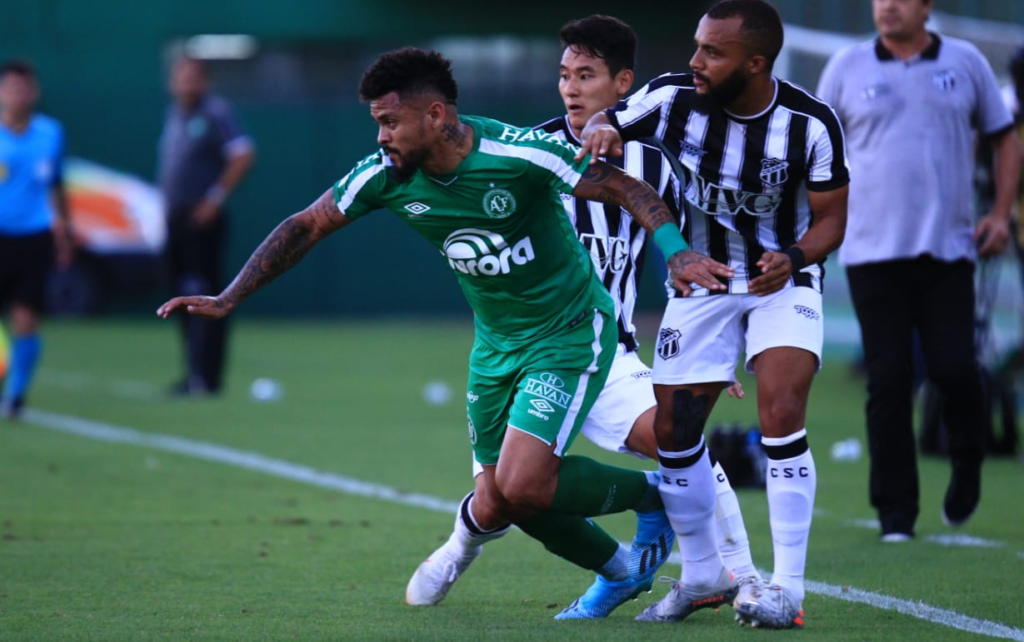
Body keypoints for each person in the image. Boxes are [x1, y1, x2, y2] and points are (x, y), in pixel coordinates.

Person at [157, 47, 735, 610]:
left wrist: (676, 251)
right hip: (495, 347)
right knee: (500, 501)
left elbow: (623, 186)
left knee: (524, 483)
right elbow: (306, 226)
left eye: (390, 122)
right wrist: (229, 297)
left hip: (567, 333)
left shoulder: (517, 153)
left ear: (436, 115)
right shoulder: (386, 175)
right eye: (377, 123)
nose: (381, 137)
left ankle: (653, 496)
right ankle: (621, 570)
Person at [404, 15, 761, 620]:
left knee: (678, 441)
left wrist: (713, 345)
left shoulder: (657, 166)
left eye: (587, 75)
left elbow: (690, 260)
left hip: (605, 350)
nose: (570, 88)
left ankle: (743, 578)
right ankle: (605, 569)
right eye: (565, 75)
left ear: (623, 84)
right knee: (504, 498)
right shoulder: (524, 153)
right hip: (526, 351)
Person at [579, 0, 849, 628]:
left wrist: (794, 255)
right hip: (702, 282)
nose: (696, 60)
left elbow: (832, 218)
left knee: (781, 412)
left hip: (784, 279)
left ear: (755, 63)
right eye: (697, 45)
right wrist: (602, 129)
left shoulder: (811, 123)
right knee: (675, 434)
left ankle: (786, 590)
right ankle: (702, 576)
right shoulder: (672, 97)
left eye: (713, 52)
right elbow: (610, 118)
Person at [817, 0, 1022, 542]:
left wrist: (1001, 214)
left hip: (948, 251)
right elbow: (816, 149)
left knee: (955, 371)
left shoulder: (966, 62)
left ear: (927, 5)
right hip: (869, 253)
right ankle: (895, 513)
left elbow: (1005, 138)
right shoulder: (845, 67)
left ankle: (968, 462)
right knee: (887, 382)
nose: (887, 6)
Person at [158, 56, 255, 397]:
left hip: (202, 218)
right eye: (180, 76)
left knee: (206, 294)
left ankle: (207, 376)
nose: (185, 83)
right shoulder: (175, 114)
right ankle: (193, 372)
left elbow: (243, 154)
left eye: (192, 76)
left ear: (204, 81)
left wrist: (214, 198)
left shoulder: (215, 112)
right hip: (175, 218)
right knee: (179, 295)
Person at [0, 59, 73, 419]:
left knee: (26, 318)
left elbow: (57, 185)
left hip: (34, 237)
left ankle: (15, 396)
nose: (19, 94)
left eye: (25, 88)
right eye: (12, 87)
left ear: (35, 92)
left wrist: (64, 231)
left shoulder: (50, 133)